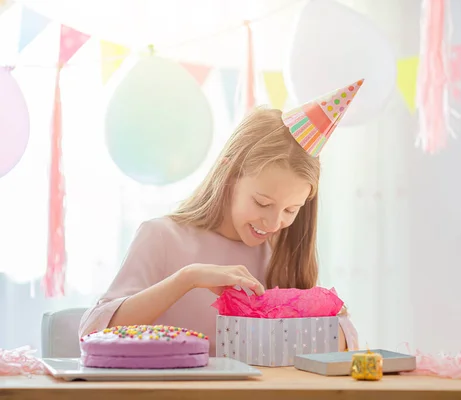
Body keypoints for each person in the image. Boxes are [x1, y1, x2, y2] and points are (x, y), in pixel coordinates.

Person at [79, 79, 364, 356]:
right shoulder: (162, 237)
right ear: (229, 175)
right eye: (262, 202)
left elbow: (346, 339)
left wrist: (326, 319)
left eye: (291, 210)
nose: (274, 222)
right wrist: (187, 278)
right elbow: (92, 333)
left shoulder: (280, 251)